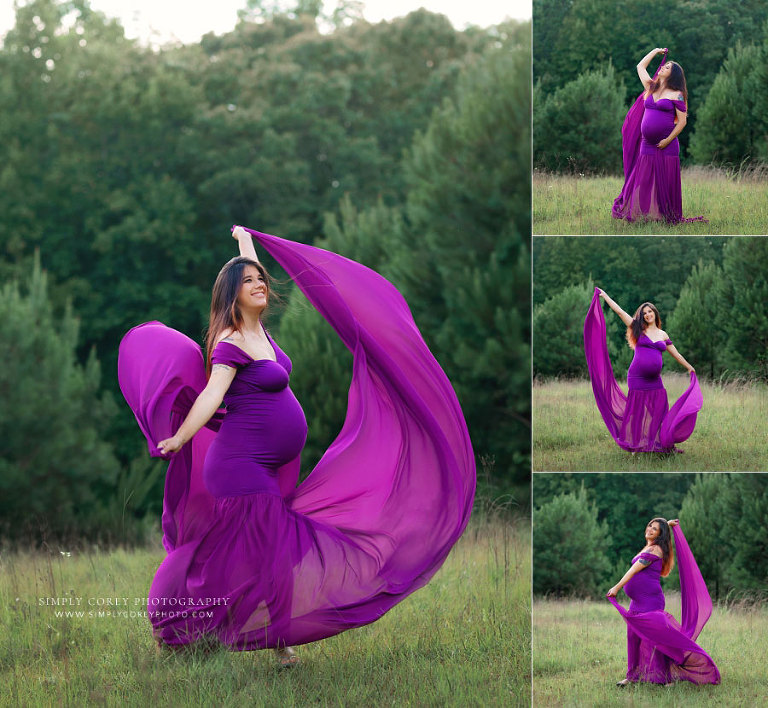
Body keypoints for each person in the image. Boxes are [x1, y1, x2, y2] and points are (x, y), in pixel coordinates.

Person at [117, 226, 475, 665]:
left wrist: (244, 241)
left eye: (261, 279)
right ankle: (185, 624)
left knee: (242, 550)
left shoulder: (260, 333)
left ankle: (216, 630)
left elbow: (248, 269)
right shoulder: (230, 342)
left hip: (267, 465)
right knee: (255, 552)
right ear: (232, 295)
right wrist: (180, 437)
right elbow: (212, 396)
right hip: (241, 466)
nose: (260, 284)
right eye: (249, 282)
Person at [583, 288, 702, 453]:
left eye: (650, 311)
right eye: (644, 313)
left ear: (655, 313)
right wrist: (605, 297)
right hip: (637, 377)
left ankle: (665, 446)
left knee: (660, 411)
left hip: (655, 380)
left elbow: (676, 354)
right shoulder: (637, 329)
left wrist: (689, 367)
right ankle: (636, 445)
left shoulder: (663, 335)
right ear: (642, 316)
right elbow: (619, 312)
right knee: (637, 413)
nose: (647, 314)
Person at [607, 518, 720, 685]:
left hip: (651, 601)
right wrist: (665, 524)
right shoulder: (648, 547)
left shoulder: (657, 550)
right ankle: (631, 677)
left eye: (655, 529)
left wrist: (616, 587)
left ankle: (667, 678)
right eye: (649, 526)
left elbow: (634, 569)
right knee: (633, 637)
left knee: (656, 639)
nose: (650, 529)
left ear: (660, 535)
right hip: (637, 602)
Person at [612, 48, 705, 223]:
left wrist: (668, 140)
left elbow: (683, 122)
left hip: (668, 144)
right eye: (665, 65)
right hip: (647, 143)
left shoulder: (677, 94)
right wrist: (655, 52)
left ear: (673, 75)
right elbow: (640, 66)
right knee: (645, 178)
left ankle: (666, 216)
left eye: (668, 67)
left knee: (666, 180)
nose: (663, 67)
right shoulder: (651, 87)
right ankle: (644, 215)